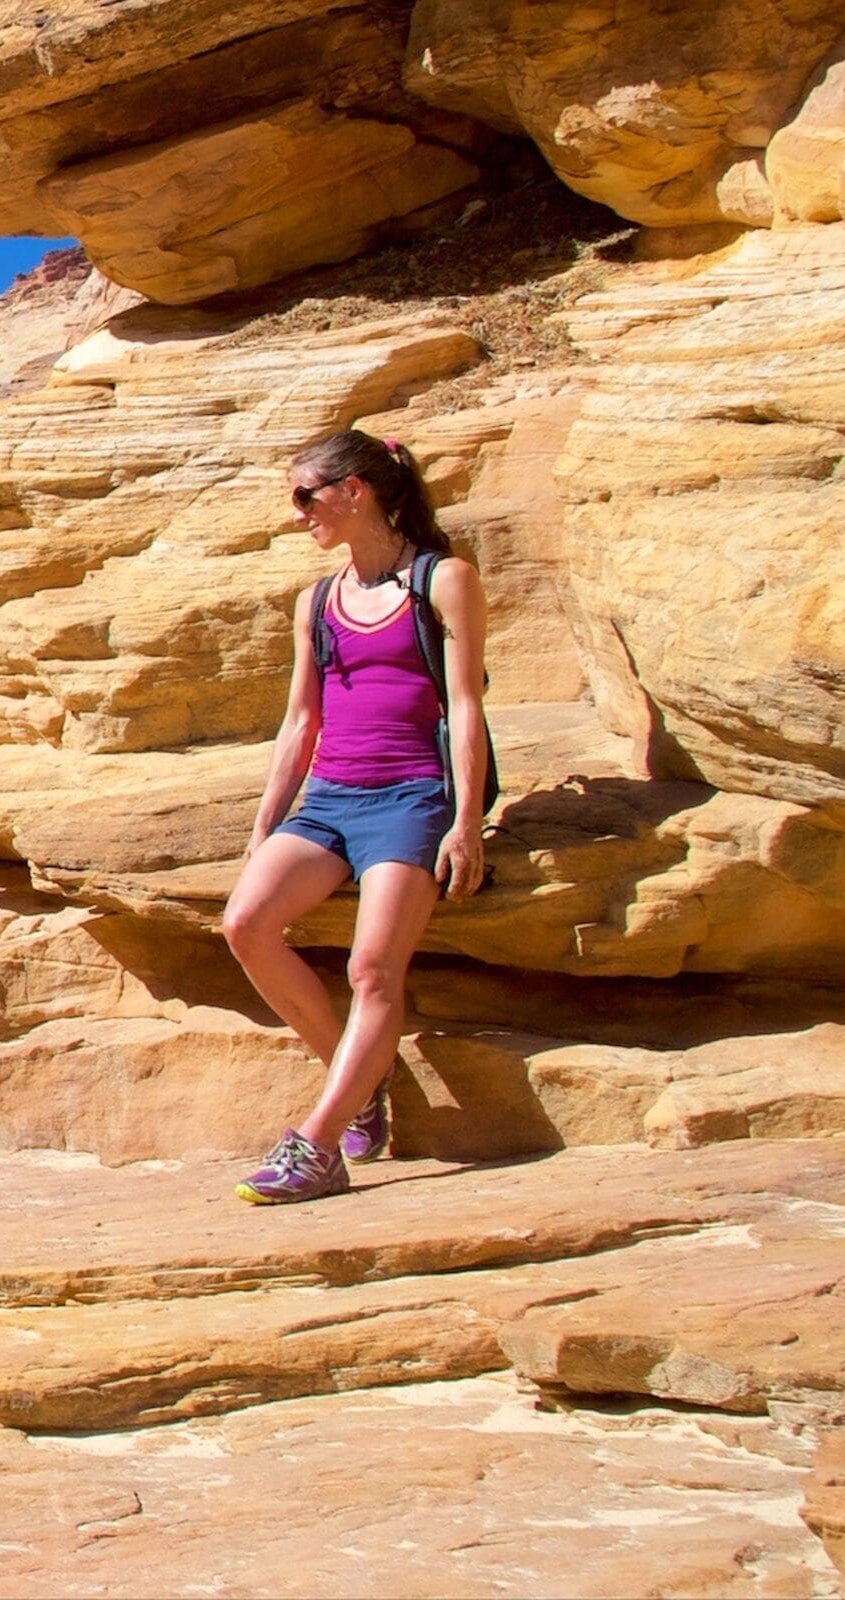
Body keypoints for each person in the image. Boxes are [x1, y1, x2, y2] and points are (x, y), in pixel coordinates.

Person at [218, 428, 490, 1206]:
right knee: (245, 924)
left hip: (411, 799)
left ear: (355, 491)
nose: (298, 512)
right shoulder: (318, 599)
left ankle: (318, 1146)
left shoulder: (443, 581)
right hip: (331, 800)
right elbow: (300, 721)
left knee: (372, 970)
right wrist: (265, 829)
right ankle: (361, 1076)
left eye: (307, 495)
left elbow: (466, 706)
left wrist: (466, 820)